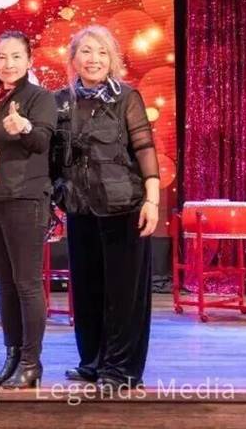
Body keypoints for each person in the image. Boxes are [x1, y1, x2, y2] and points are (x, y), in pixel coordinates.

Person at [50, 25, 160, 391]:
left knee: (123, 294)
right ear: (73, 59)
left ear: (112, 59)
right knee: (88, 290)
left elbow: (144, 148)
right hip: (81, 209)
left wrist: (152, 199)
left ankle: (122, 369)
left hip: (124, 208)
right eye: (85, 51)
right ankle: (93, 362)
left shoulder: (126, 97)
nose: (93, 59)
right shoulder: (61, 101)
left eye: (101, 52)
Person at [0, 31, 56, 389]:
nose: (8, 64)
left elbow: (42, 141)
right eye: (1, 57)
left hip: (25, 198)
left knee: (26, 284)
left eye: (15, 57)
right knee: (5, 285)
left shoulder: (40, 98)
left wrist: (24, 127)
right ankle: (11, 358)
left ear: (29, 61)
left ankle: (31, 362)